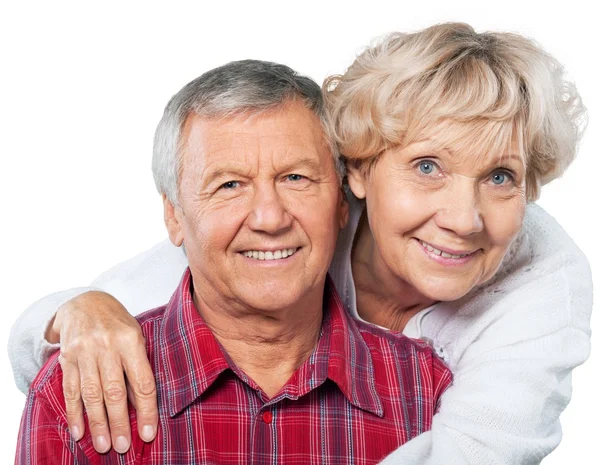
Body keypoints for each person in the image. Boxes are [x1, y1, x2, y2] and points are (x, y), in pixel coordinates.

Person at [10, 22, 592, 465]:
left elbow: (477, 453)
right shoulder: (283, 217)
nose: (464, 219)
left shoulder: (537, 291)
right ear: (356, 175)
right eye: (428, 166)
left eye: (500, 177)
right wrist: (79, 312)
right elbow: (99, 310)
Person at [14, 60, 452, 464]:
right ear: (174, 216)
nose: (269, 218)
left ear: (341, 201)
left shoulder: (426, 391)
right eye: (229, 185)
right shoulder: (73, 393)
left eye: (295, 178)